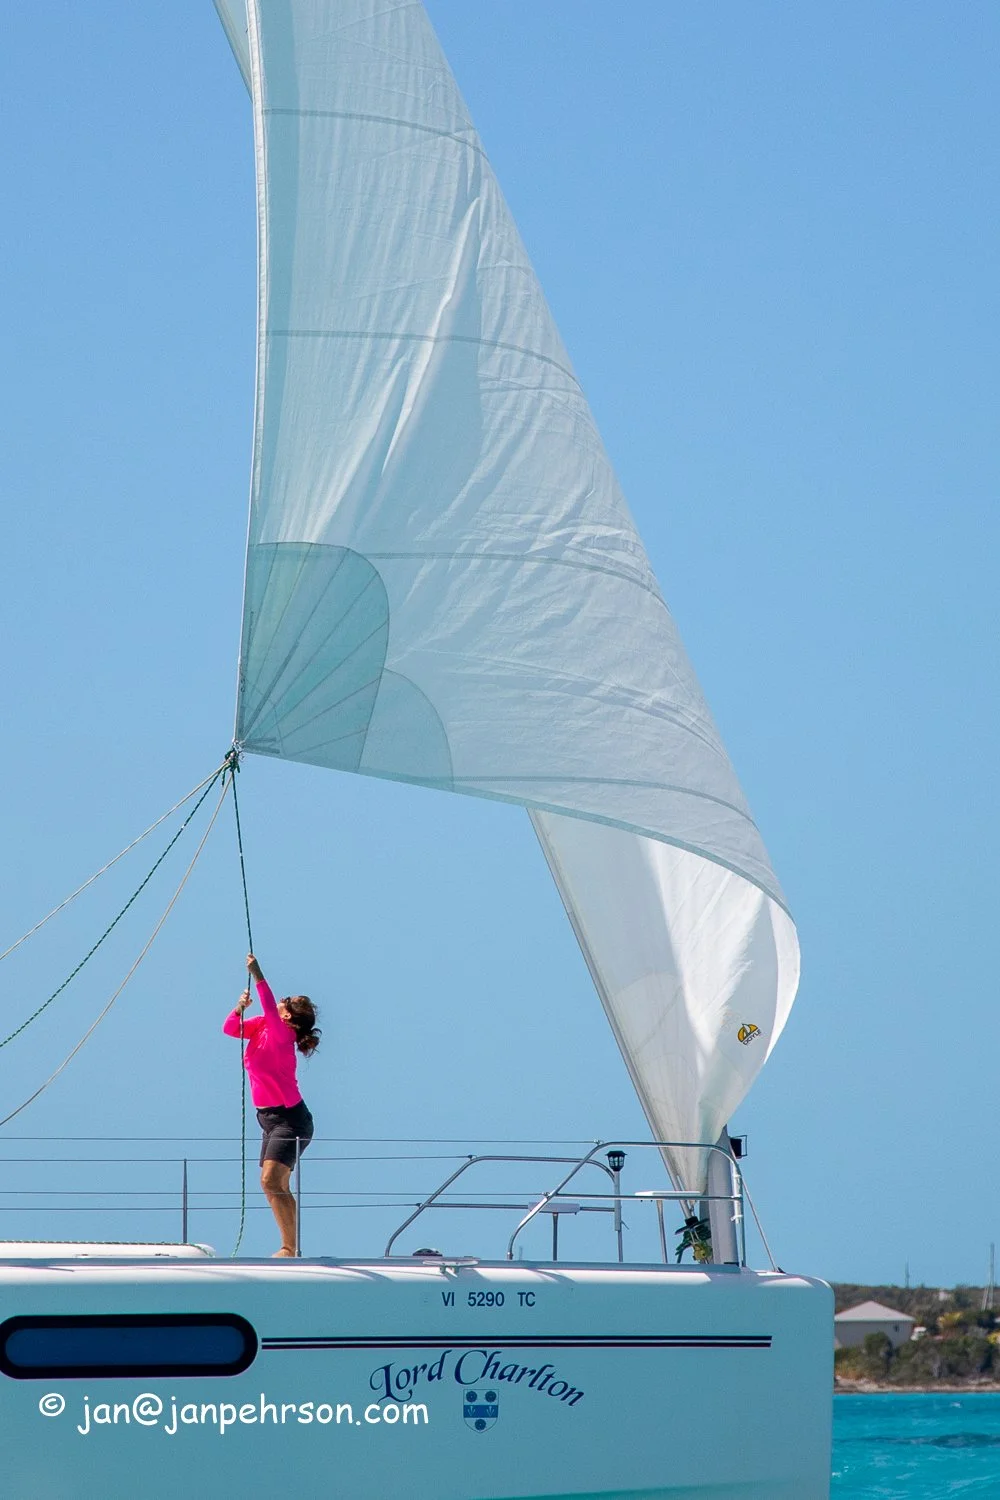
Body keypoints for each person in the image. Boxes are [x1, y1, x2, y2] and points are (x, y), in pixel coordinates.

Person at [223, 954, 320, 1256]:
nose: (281, 1000)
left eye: (286, 1001)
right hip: (267, 1119)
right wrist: (239, 1007)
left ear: (288, 1017)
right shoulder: (264, 1025)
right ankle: (292, 1247)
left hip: (290, 1119)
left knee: (270, 1180)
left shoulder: (282, 1034)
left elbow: (267, 1002)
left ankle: (289, 1248)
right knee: (274, 1184)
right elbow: (230, 1029)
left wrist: (258, 973)